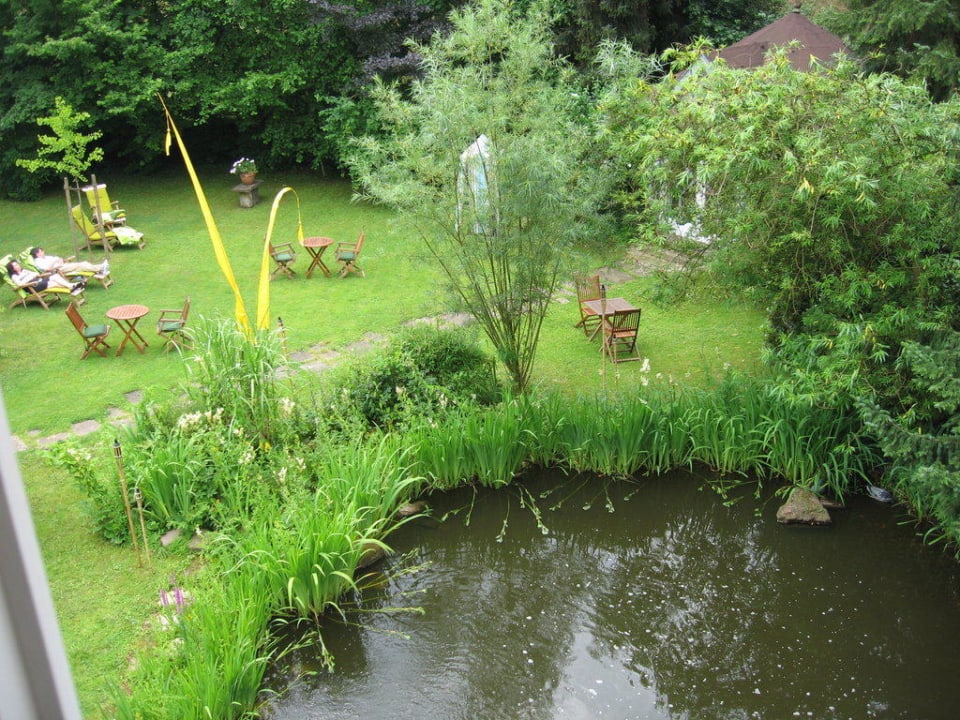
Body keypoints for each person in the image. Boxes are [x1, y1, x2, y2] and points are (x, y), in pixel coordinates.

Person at [6, 260, 85, 296]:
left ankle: (72, 287)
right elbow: (20, 284)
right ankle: (73, 286)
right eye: (15, 265)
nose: (18, 265)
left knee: (55, 277)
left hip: (40, 282)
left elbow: (36, 273)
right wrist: (30, 278)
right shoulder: (14, 276)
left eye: (17, 264)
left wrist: (31, 276)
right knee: (54, 280)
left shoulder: (24, 271)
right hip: (33, 286)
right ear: (12, 269)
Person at [29, 247, 109, 277]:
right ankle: (101, 267)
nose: (43, 251)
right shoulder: (38, 261)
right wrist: (55, 263)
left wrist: (60, 260)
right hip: (58, 270)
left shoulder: (46, 257)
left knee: (83, 263)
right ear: (37, 254)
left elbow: (58, 259)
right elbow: (47, 269)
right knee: (81, 265)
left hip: (62, 265)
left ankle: (100, 269)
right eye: (41, 251)